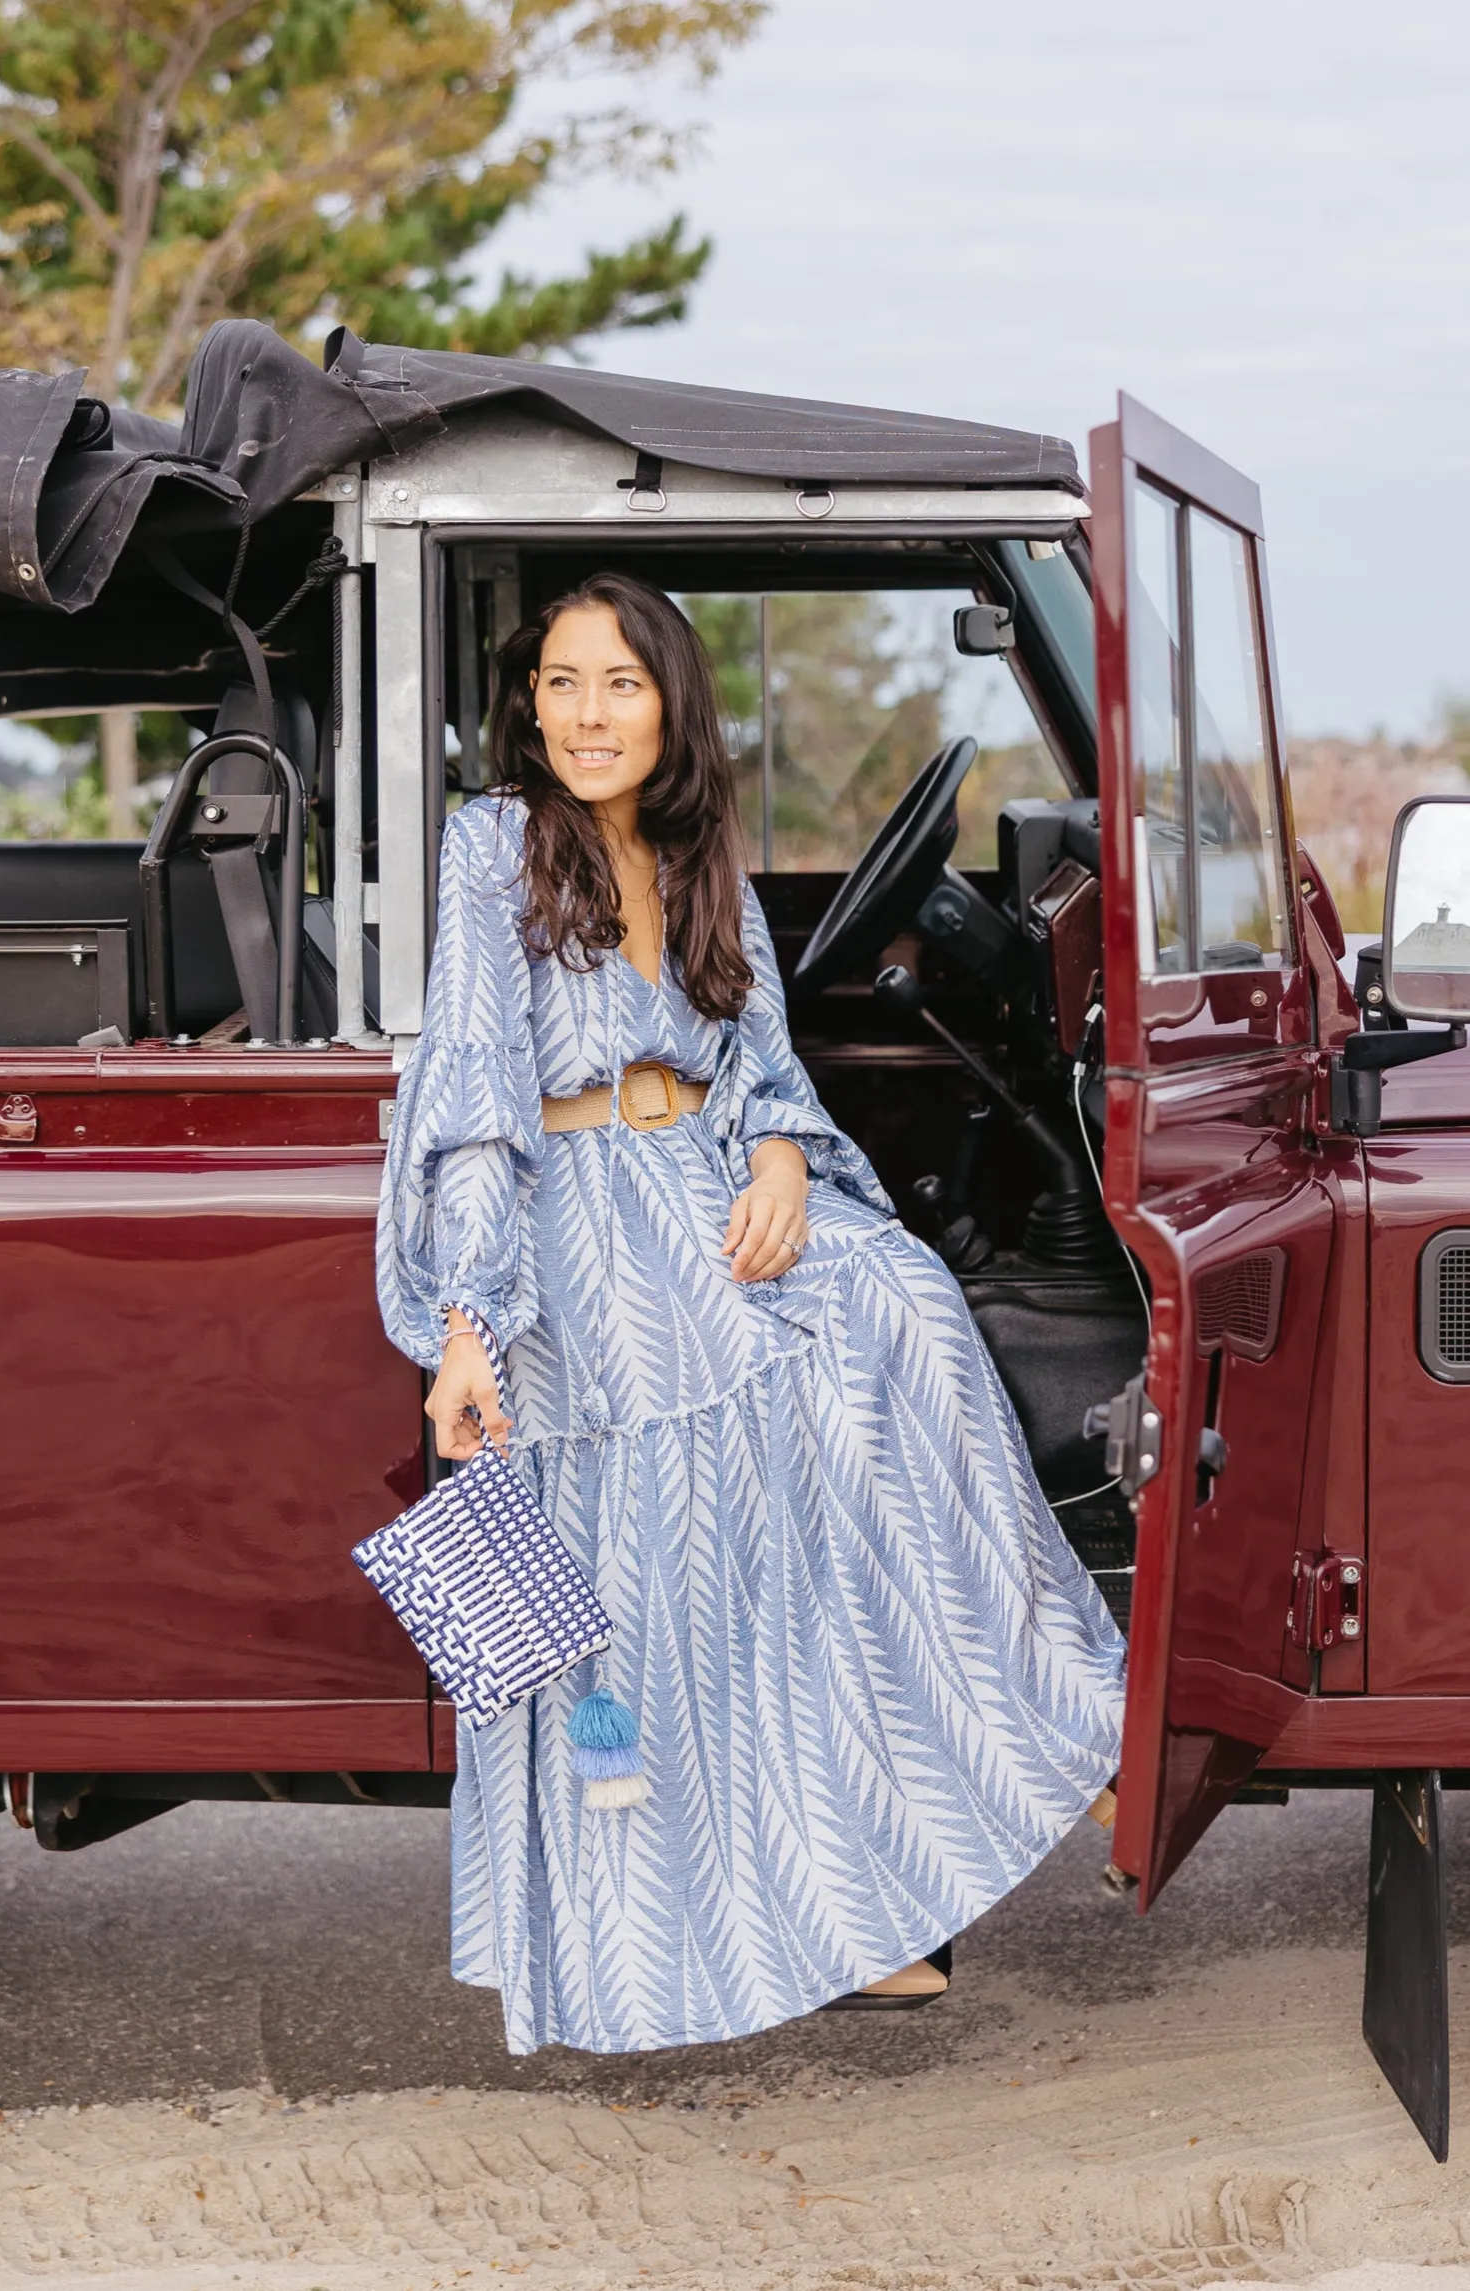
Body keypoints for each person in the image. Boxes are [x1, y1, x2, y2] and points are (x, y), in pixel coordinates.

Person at [377, 571, 1124, 2057]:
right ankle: (657, 1938)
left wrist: (781, 1147)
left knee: (903, 1306)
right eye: (565, 684)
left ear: (672, 707)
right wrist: (469, 1320)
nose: (589, 715)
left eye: (623, 686)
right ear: (529, 702)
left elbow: (760, 1055)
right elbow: (469, 1099)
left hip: (703, 1174)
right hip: (575, 1227)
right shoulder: (491, 849)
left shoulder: (692, 848)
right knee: (651, 1590)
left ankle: (1009, 1741)